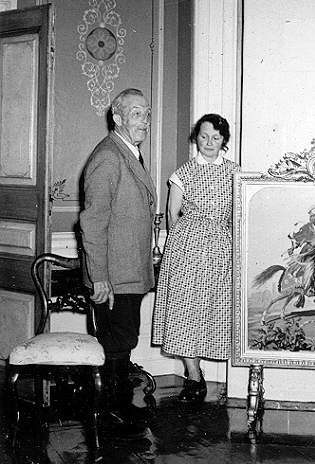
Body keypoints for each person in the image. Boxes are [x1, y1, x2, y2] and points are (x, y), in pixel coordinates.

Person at [80, 88, 157, 438]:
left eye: (147, 113)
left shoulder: (128, 153)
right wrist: (99, 277)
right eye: (137, 113)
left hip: (128, 270)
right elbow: (92, 222)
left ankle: (118, 408)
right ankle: (112, 415)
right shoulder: (109, 157)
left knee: (122, 339)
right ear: (118, 116)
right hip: (112, 276)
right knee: (115, 342)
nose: (145, 120)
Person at [152, 114, 240, 404]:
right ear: (196, 138)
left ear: (224, 140)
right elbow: (172, 215)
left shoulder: (235, 172)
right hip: (186, 249)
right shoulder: (184, 173)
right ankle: (193, 375)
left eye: (216, 137)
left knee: (213, 310)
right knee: (184, 311)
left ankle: (204, 372)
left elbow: (239, 213)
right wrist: (185, 246)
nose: (209, 143)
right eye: (204, 136)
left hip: (221, 250)